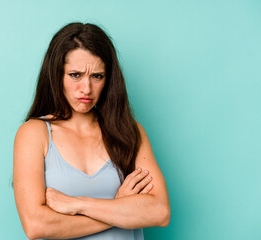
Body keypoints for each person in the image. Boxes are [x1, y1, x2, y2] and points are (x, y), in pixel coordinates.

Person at [13, 22, 170, 240]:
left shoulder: (129, 132)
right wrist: (119, 207)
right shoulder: (34, 134)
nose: (86, 88)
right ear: (57, 74)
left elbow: (159, 212)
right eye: (75, 75)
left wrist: (77, 204)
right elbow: (36, 225)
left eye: (97, 76)